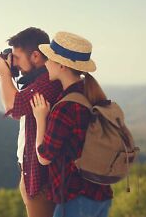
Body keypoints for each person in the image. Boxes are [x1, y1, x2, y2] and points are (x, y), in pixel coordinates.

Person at [30, 32, 113, 217]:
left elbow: (44, 157)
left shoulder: (66, 107)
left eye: (49, 59)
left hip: (77, 198)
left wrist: (40, 118)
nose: (45, 63)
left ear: (61, 65)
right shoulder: (91, 95)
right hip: (101, 194)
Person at [0, 27, 63, 217]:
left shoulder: (49, 80)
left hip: (42, 178)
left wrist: (5, 75)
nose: (16, 63)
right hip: (29, 169)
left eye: (18, 57)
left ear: (36, 56)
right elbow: (17, 101)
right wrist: (5, 76)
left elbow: (13, 108)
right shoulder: (36, 79)